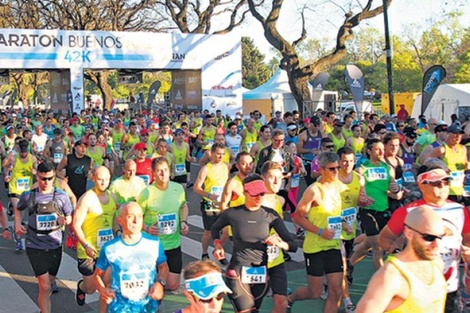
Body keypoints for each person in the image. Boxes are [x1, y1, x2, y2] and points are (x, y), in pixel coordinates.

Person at [379, 168, 470, 312]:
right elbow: (385, 238)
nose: (442, 186)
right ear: (422, 185)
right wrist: (399, 257)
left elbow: (467, 239)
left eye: (446, 181)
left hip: (449, 286)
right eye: (436, 183)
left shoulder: (460, 210)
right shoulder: (409, 211)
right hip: (418, 287)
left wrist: (467, 250)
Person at [212, 174, 297, 313]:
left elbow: (292, 245)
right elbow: (215, 228)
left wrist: (281, 244)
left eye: (262, 194)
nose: (259, 198)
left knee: (254, 310)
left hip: (260, 271)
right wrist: (218, 244)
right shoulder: (233, 213)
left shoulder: (270, 215)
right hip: (238, 271)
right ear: (245, 193)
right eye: (254, 194)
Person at [287, 152, 350, 313]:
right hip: (315, 247)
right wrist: (320, 231)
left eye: (337, 168)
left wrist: (344, 224)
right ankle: (290, 299)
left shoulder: (338, 186)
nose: (336, 172)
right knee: (315, 292)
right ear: (321, 170)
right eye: (332, 169)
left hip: (333, 245)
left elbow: (335, 213)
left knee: (335, 291)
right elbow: (298, 217)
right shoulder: (314, 190)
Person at [357, 206, 447, 312]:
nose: (436, 245)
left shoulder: (436, 264)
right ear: (409, 233)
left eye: (440, 237)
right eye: (428, 238)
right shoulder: (390, 276)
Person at [15, 161, 73, 313]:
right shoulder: (28, 196)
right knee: (45, 286)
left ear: (54, 177)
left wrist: (64, 220)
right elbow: (18, 209)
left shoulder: (61, 196)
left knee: (49, 285)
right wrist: (17, 224)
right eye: (42, 178)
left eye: (49, 178)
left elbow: (69, 216)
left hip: (54, 246)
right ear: (37, 177)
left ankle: (43, 307)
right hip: (35, 245)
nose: (46, 182)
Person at [94, 202, 169, 313]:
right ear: (120, 221)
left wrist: (160, 283)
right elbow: (97, 275)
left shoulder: (154, 243)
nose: (136, 221)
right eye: (130, 216)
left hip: (148, 307)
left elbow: (163, 267)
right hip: (120, 308)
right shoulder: (109, 248)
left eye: (139, 216)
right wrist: (102, 289)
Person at [137, 157, 189, 291]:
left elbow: (183, 207)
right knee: (151, 285)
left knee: (173, 285)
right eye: (159, 171)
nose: (163, 174)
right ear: (153, 173)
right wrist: (147, 228)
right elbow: (136, 218)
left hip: (173, 244)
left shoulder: (178, 188)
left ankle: (159, 285)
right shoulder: (146, 193)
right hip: (153, 245)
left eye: (165, 170)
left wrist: (183, 222)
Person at [72, 166, 118, 309]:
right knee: (91, 288)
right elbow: (75, 225)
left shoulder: (113, 197)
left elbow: (114, 219)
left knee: (107, 286)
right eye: (100, 179)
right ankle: (81, 286)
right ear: (93, 178)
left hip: (106, 250)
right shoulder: (87, 198)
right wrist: (86, 245)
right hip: (88, 250)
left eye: (106, 179)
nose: (103, 182)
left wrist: (117, 234)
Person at [355, 139, 401, 270]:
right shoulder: (363, 168)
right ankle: (380, 278)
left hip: (384, 209)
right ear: (369, 151)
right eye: (377, 149)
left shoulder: (388, 169)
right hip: (367, 210)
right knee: (378, 247)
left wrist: (396, 192)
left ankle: (350, 264)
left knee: (367, 244)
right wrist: (362, 192)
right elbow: (356, 182)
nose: (381, 152)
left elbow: (391, 190)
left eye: (382, 149)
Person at [193, 143, 230, 262]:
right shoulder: (206, 169)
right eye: (218, 154)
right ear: (212, 153)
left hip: (222, 203)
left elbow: (227, 184)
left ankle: (218, 250)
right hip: (209, 203)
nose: (220, 156)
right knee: (209, 232)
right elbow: (196, 187)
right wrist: (209, 195)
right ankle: (204, 253)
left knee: (226, 230)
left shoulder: (225, 167)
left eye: (222, 154)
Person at [5, 138, 38, 251]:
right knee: (17, 211)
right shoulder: (13, 158)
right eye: (21, 152)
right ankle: (18, 240)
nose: (23, 154)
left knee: (24, 213)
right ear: (19, 150)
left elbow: (38, 170)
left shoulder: (32, 158)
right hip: (15, 188)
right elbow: (5, 167)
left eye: (25, 152)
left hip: (26, 190)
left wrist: (35, 172)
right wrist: (7, 174)